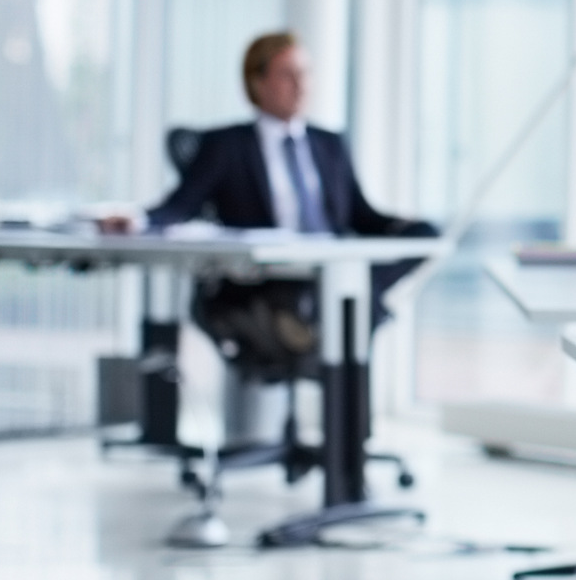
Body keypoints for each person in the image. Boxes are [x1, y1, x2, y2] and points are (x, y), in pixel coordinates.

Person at [105, 32, 433, 346]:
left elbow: (359, 215)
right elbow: (181, 205)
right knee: (345, 306)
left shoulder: (329, 144)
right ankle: (348, 305)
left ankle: (352, 297)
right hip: (269, 278)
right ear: (258, 83)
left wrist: (406, 227)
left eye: (305, 73)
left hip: (329, 266)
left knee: (423, 236)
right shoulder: (227, 145)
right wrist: (137, 219)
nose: (301, 85)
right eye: (287, 75)